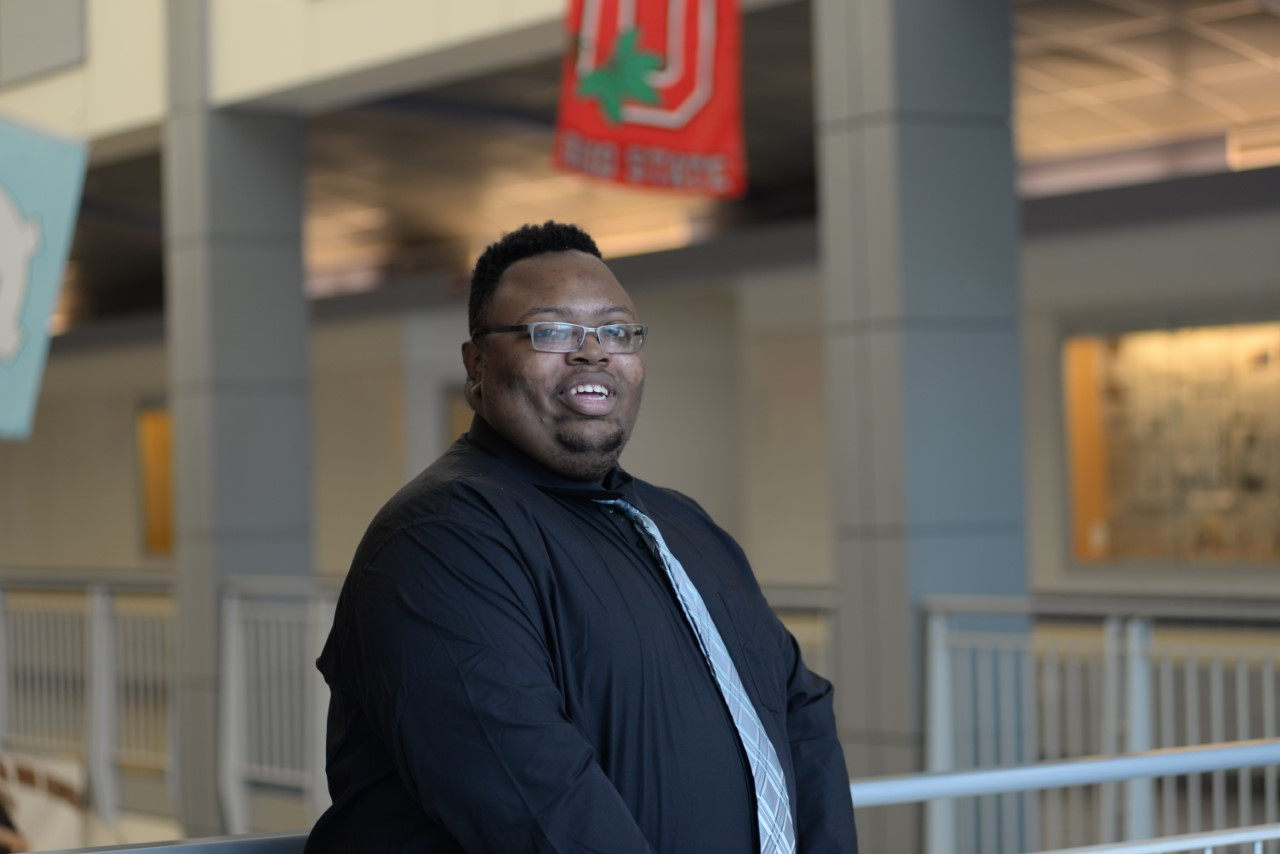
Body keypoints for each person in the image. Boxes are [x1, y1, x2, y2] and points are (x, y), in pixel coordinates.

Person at [305, 221, 859, 853]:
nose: (593, 352)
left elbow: (801, 712)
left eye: (616, 331)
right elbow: (537, 807)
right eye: (553, 330)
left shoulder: (682, 524)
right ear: (477, 364)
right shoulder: (440, 540)